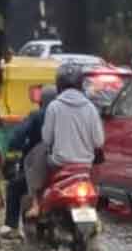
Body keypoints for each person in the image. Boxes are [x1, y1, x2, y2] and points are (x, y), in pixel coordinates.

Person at [24, 63, 105, 219]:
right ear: (80, 84)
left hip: (59, 163)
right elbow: (99, 141)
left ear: (59, 85)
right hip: (85, 165)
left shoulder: (54, 106)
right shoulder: (90, 107)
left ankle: (35, 203)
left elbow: (47, 139)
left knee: (35, 157)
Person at [0, 85, 57, 239]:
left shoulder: (37, 116)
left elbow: (17, 137)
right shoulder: (68, 117)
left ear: (41, 101)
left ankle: (11, 226)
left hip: (39, 168)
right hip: (66, 169)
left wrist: (12, 152)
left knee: (13, 187)